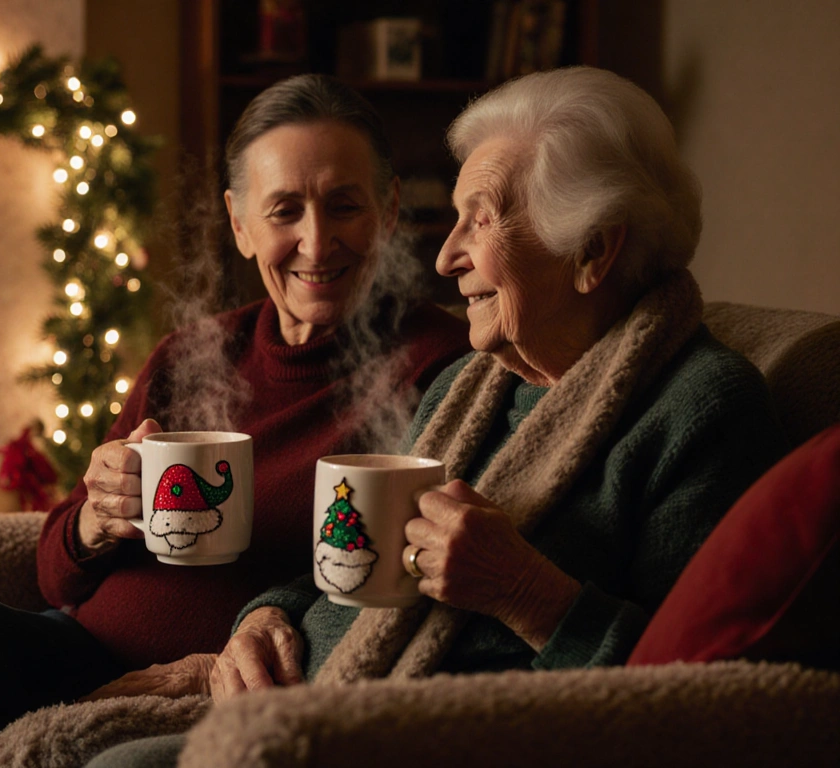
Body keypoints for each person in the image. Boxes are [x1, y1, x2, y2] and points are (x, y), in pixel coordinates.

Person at [82, 65, 790, 768]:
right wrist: (265, 617)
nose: (447, 257)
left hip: (437, 734)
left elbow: (705, 692)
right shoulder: (468, 386)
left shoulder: (701, 409)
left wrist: (525, 592)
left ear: (592, 249)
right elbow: (358, 569)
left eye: (480, 220)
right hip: (321, 705)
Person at [0, 74, 470, 768]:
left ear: (389, 209)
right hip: (80, 654)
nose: (316, 240)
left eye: (344, 205)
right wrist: (95, 517)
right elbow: (55, 577)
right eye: (284, 211)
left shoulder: (437, 368)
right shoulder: (193, 354)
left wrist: (223, 657)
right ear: (240, 224)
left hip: (220, 682)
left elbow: (402, 586)